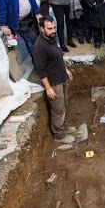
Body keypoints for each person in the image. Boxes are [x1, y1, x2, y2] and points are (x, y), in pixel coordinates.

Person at [33, 16, 76, 144]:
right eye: (49, 28)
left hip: (61, 77)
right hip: (53, 82)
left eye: (54, 27)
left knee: (64, 104)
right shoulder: (39, 47)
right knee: (57, 109)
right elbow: (40, 70)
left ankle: (63, 125)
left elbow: (58, 56)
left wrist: (66, 70)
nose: (53, 30)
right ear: (42, 29)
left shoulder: (52, 39)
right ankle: (59, 134)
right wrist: (48, 88)